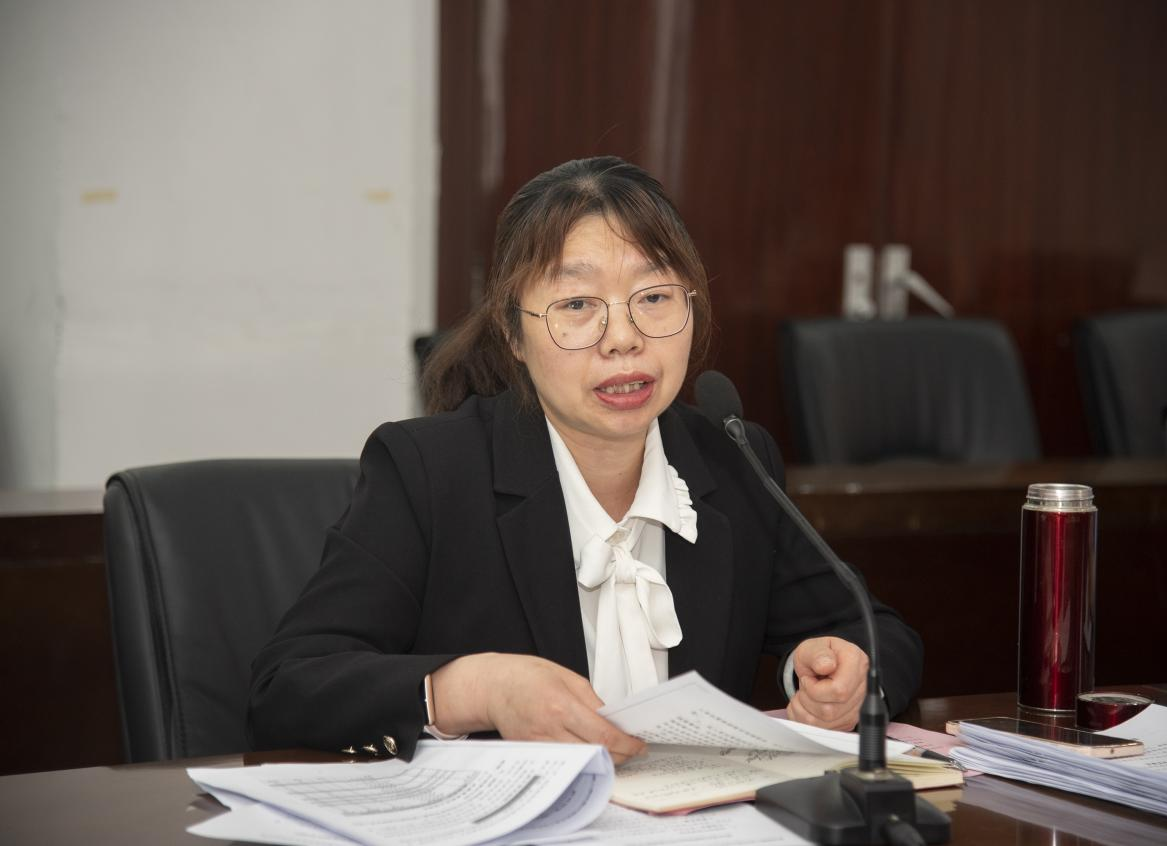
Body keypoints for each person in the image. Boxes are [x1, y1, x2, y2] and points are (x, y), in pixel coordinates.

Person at [248, 156, 923, 763]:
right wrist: (475, 688)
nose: (623, 338)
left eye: (653, 297)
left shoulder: (729, 461)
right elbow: (288, 687)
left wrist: (844, 673)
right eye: (577, 305)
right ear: (513, 332)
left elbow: (877, 633)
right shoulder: (428, 471)